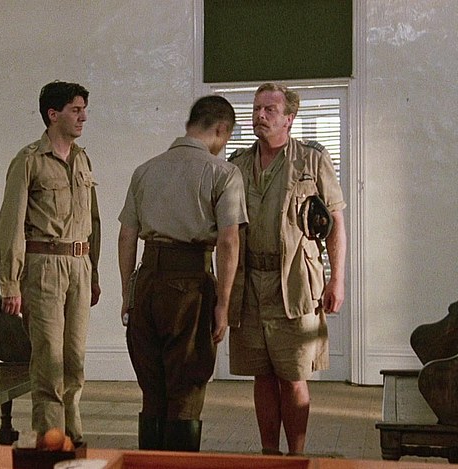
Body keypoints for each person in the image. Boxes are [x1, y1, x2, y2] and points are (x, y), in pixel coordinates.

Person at [117, 95, 247, 452]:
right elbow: (229, 240)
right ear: (221, 129)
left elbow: (127, 236)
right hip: (190, 285)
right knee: (186, 390)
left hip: (147, 281)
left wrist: (128, 294)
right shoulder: (223, 173)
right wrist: (223, 303)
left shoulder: (145, 170)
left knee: (152, 391)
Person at [227, 82, 347, 456]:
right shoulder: (238, 164)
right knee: (262, 374)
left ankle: (296, 456)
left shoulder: (311, 160)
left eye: (270, 110)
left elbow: (335, 224)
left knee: (293, 375)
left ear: (289, 118)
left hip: (295, 283)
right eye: (256, 109)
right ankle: (269, 455)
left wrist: (337, 279)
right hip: (249, 284)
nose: (260, 116)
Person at [0, 81, 101, 443]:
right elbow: (11, 223)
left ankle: (73, 433)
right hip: (44, 268)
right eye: (76, 110)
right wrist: (10, 282)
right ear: (53, 114)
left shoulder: (82, 159)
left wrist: (94, 272)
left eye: (84, 109)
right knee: (48, 360)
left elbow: (94, 221)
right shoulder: (28, 160)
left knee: (74, 359)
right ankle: (51, 439)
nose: (83, 117)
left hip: (79, 265)